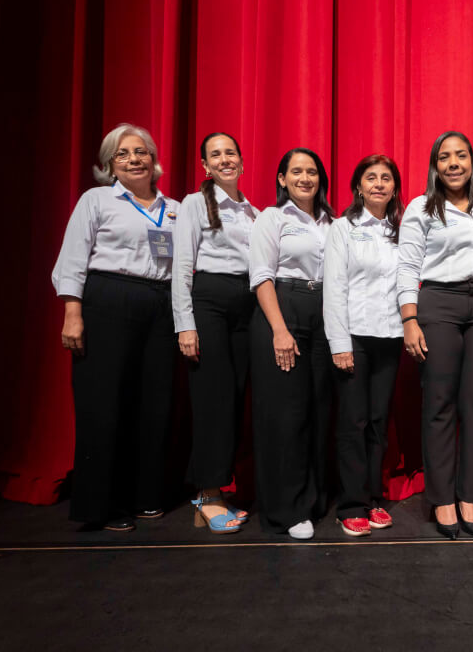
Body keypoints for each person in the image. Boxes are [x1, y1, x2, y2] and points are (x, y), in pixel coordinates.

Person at [52, 123, 180, 532]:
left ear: (153, 159)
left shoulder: (174, 208)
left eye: (140, 151)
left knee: (153, 404)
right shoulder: (97, 200)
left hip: (161, 306)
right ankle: (102, 506)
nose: (133, 159)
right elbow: (73, 257)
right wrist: (73, 313)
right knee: (104, 404)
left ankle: (145, 495)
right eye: (122, 154)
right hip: (108, 299)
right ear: (110, 164)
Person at [398, 131, 473, 540]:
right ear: (435, 165)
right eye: (445, 157)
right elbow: (408, 266)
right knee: (439, 401)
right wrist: (410, 319)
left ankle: (469, 495)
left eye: (461, 155)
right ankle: (442, 497)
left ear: (472, 161)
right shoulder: (421, 207)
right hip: (438, 303)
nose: (454, 163)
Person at [172, 132, 256, 534]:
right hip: (209, 301)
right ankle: (206, 496)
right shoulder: (194, 203)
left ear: (241, 160)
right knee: (213, 400)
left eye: (230, 152)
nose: (225, 159)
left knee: (235, 399)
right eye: (215, 155)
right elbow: (182, 265)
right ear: (205, 165)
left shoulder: (252, 211)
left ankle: (215, 491)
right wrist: (185, 324)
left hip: (246, 304)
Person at [249, 147, 335, 540]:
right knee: (287, 415)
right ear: (282, 179)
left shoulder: (332, 222)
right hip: (283, 308)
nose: (305, 178)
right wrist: (279, 330)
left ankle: (312, 500)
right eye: (296, 172)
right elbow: (261, 275)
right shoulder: (272, 217)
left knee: (317, 409)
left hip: (323, 311)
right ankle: (286, 509)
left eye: (311, 171)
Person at [323, 154, 405, 537]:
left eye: (386, 178)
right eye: (371, 177)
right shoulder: (343, 228)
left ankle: (373, 498)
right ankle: (351, 504)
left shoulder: (402, 231)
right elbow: (334, 288)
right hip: (353, 335)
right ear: (358, 186)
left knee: (377, 421)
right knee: (353, 421)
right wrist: (339, 343)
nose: (378, 184)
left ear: (394, 187)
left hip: (391, 336)